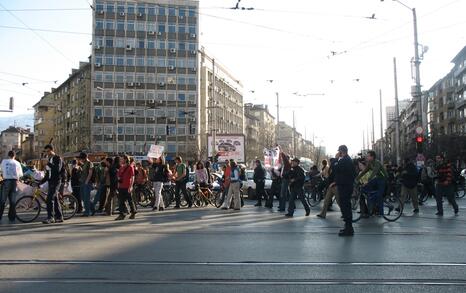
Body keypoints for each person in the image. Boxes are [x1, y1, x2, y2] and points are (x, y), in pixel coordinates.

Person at [329, 145, 357, 236]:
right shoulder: (346, 160)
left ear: (341, 151)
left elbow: (335, 168)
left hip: (345, 187)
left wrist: (335, 159)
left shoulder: (345, 160)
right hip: (344, 185)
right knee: (345, 206)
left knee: (345, 207)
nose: (338, 153)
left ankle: (349, 229)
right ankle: (347, 227)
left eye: (339, 152)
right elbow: (342, 174)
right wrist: (336, 182)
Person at [38, 145, 66, 224]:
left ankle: (50, 217)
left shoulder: (57, 158)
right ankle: (59, 217)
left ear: (51, 150)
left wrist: (48, 163)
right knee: (55, 199)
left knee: (49, 199)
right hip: (51, 181)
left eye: (47, 151)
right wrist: (41, 182)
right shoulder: (49, 159)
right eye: (46, 151)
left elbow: (57, 169)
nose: (46, 153)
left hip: (56, 181)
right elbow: (48, 174)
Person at [355, 150, 388, 216]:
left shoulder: (377, 163)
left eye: (368, 156)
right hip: (377, 179)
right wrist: (357, 179)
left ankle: (381, 212)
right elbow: (364, 171)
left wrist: (368, 180)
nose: (367, 157)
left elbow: (374, 172)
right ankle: (371, 201)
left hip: (383, 179)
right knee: (365, 188)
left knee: (379, 195)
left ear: (372, 157)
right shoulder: (370, 163)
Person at [0, 151, 23, 222]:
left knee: (2, 200)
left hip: (6, 181)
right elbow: (20, 174)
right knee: (12, 201)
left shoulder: (4, 161)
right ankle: (12, 218)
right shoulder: (17, 163)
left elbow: (1, 170)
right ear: (14, 156)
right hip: (14, 182)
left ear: (8, 155)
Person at [115, 155, 137, 220]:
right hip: (121, 186)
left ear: (125, 159)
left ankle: (133, 212)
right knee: (121, 201)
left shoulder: (130, 167)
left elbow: (133, 177)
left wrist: (131, 186)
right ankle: (122, 214)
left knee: (130, 200)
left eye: (122, 159)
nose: (120, 160)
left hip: (127, 186)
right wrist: (118, 184)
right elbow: (118, 177)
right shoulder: (121, 168)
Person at [77, 152, 94, 217]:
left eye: (82, 158)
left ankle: (87, 212)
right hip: (82, 182)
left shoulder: (90, 163)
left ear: (85, 158)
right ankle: (92, 208)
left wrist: (87, 181)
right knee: (83, 197)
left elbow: (90, 173)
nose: (81, 159)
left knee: (86, 198)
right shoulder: (83, 164)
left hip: (87, 183)